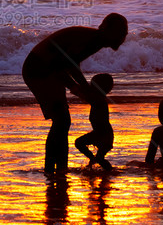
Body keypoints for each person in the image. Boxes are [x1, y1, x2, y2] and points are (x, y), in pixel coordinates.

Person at [22, 13, 128, 176]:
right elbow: (60, 65)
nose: (123, 37)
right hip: (39, 68)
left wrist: (83, 86)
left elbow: (72, 62)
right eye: (121, 32)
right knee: (61, 120)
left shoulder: (95, 40)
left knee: (62, 121)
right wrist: (76, 87)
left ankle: (60, 168)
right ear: (107, 30)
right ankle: (51, 168)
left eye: (125, 33)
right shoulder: (94, 40)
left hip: (48, 67)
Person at [74, 73, 115, 171]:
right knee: (79, 143)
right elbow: (88, 97)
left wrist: (77, 91)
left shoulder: (99, 100)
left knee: (100, 158)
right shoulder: (98, 98)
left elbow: (88, 97)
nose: (91, 89)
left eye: (93, 86)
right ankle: (93, 159)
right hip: (99, 133)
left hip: (105, 135)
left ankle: (110, 171)